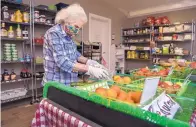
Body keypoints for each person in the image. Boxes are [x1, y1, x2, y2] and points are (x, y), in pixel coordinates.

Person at [42, 3, 109, 86]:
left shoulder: (69, 35)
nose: (77, 30)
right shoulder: (54, 33)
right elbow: (62, 61)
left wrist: (89, 62)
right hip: (56, 84)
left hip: (70, 83)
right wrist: (89, 69)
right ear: (67, 21)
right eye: (76, 26)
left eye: (79, 28)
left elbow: (75, 54)